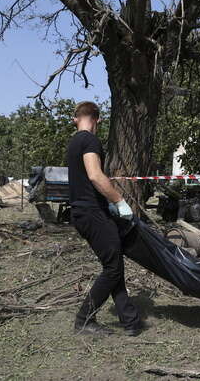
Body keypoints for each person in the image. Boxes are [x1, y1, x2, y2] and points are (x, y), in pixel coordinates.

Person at [67, 101, 143, 336]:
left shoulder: (73, 143)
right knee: (112, 268)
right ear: (98, 120)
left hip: (83, 212)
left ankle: (130, 321)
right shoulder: (89, 140)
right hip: (92, 213)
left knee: (113, 264)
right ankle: (84, 319)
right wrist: (118, 201)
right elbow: (95, 175)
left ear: (75, 119)